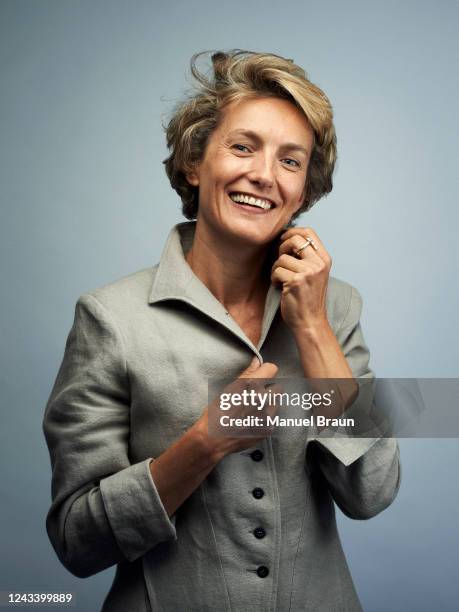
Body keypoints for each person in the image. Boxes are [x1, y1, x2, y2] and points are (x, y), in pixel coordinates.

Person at [43, 50, 401, 611]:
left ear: (304, 191)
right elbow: (77, 540)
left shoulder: (338, 307)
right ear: (194, 163)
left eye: (291, 161)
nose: (264, 174)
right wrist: (205, 442)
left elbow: (372, 493)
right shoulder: (109, 317)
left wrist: (312, 329)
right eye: (242, 146)